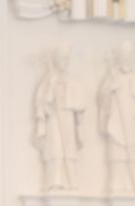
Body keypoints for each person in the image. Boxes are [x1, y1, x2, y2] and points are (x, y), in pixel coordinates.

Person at [32, 43, 86, 192]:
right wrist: (51, 86)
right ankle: (55, 182)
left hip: (68, 115)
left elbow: (80, 103)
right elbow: (41, 101)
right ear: (56, 60)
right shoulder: (49, 80)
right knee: (55, 148)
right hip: (54, 116)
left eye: (67, 59)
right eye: (63, 59)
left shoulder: (73, 80)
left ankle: (71, 182)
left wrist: (75, 106)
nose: (65, 63)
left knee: (69, 148)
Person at [98, 41, 135, 195]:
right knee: (117, 154)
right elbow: (102, 97)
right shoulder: (113, 76)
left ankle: (132, 184)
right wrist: (110, 90)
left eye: (128, 55)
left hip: (131, 120)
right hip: (117, 121)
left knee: (132, 154)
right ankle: (117, 184)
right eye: (123, 55)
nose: (126, 58)